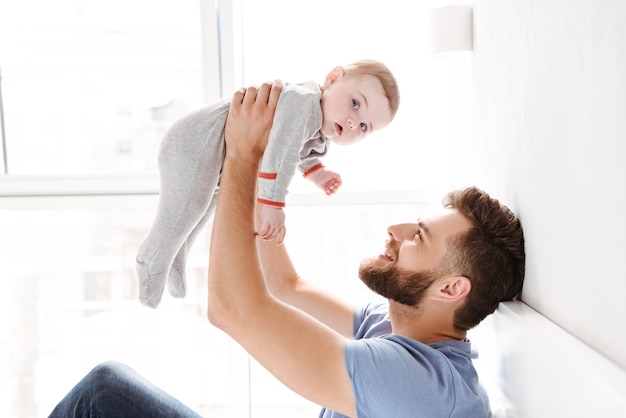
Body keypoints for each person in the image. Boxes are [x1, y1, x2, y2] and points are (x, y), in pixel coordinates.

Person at [48, 81, 525, 418]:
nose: (396, 229)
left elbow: (233, 309)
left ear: (452, 287)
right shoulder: (400, 327)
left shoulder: (425, 388)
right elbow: (285, 285)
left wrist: (243, 154)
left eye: (418, 236)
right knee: (106, 392)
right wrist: (264, 178)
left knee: (103, 394)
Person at [136, 59, 400, 308]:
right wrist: (272, 206)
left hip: (216, 155)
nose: (354, 122)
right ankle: (150, 259)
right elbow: (282, 154)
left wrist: (318, 174)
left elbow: (300, 153)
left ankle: (174, 259)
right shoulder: (304, 102)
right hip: (194, 142)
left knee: (200, 209)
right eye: (355, 104)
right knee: (185, 209)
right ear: (332, 79)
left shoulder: (318, 129)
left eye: (364, 126)